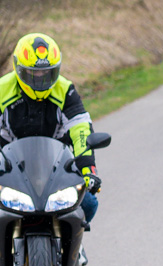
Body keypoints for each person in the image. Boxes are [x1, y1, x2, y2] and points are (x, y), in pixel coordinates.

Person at [0, 33, 101, 226]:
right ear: (18, 68)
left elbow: (81, 129)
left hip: (56, 167)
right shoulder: (2, 89)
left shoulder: (65, 89)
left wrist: (88, 169)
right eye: (33, 73)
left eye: (46, 73)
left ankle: (74, 248)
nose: (40, 79)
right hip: (9, 169)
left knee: (88, 203)